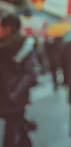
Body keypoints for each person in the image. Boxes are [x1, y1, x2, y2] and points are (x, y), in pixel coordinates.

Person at [0, 14, 37, 147]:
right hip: (7, 95)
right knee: (17, 128)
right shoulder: (3, 45)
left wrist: (15, 93)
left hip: (13, 96)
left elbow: (30, 74)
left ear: (8, 28)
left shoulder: (24, 46)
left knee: (11, 132)